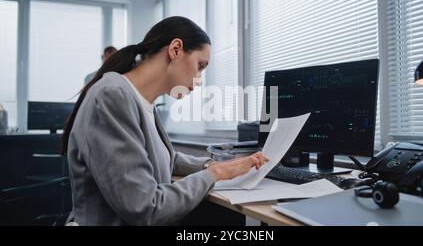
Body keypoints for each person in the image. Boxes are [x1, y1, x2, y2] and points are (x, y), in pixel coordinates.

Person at [62, 16, 269, 226]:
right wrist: (216, 173)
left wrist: (213, 164)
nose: (199, 79)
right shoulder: (112, 96)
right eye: (200, 65)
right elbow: (145, 207)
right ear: (176, 49)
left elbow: (164, 157)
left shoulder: (142, 101)